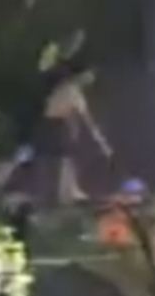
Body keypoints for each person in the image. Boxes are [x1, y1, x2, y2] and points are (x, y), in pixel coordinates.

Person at [38, 67, 112, 204]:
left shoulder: (64, 88)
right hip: (57, 125)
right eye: (87, 77)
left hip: (50, 125)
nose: (89, 81)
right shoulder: (73, 91)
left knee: (63, 158)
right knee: (69, 157)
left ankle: (66, 191)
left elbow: (72, 115)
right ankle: (70, 191)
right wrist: (100, 141)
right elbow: (85, 118)